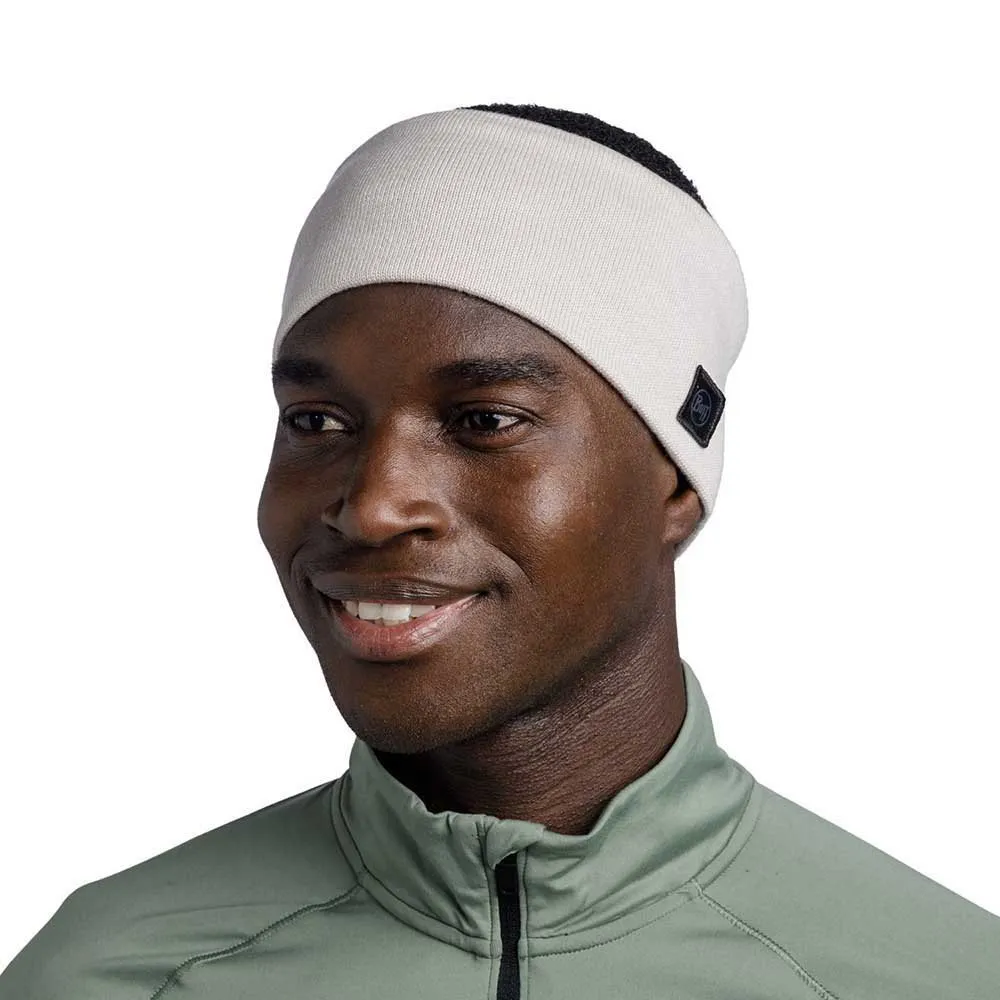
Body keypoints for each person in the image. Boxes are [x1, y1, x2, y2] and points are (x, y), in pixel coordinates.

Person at [2, 102, 997, 999]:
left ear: (677, 483)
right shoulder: (113, 978)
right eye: (317, 421)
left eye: (483, 419)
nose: (374, 506)